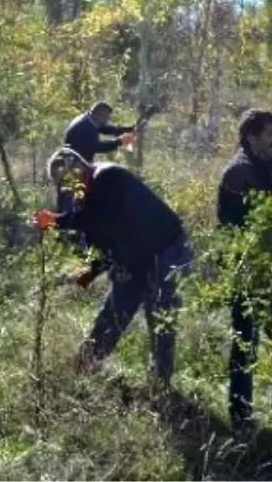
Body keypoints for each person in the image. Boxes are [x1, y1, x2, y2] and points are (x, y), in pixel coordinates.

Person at [35, 149, 192, 385]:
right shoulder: (88, 194)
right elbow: (103, 237)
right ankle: (83, 367)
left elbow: (95, 218)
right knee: (116, 311)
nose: (67, 189)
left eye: (67, 181)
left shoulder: (107, 177)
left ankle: (160, 383)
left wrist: (56, 221)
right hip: (134, 255)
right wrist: (92, 270)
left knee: (160, 314)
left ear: (78, 167)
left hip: (166, 248)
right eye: (62, 186)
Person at [218, 108, 272, 426]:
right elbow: (250, 226)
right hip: (247, 269)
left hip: (267, 269)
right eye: (269, 134)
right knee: (246, 343)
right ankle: (240, 416)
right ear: (252, 137)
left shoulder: (265, 166)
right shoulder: (239, 173)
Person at [62, 101, 138, 165]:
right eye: (105, 118)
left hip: (79, 160)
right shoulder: (85, 127)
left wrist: (128, 129)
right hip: (74, 163)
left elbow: (107, 128)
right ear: (97, 114)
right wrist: (119, 142)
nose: (106, 121)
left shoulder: (90, 119)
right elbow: (98, 147)